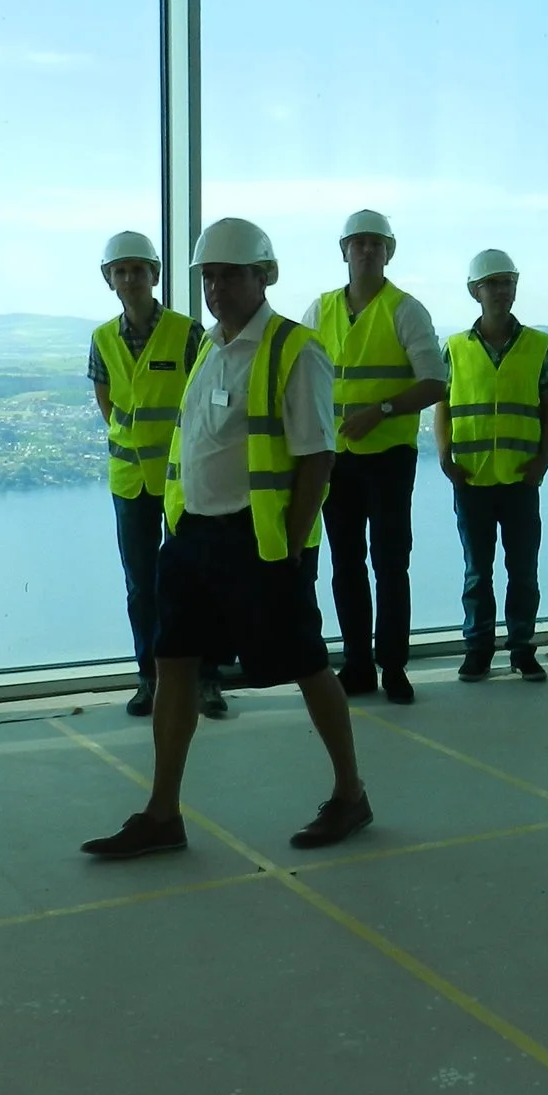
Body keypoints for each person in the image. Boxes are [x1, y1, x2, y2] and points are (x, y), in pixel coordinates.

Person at [84, 218, 372, 859]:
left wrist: (289, 548)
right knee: (173, 663)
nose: (216, 288)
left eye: (230, 275)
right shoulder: (210, 347)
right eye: (208, 277)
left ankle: (350, 794)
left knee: (307, 664)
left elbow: (318, 456)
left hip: (260, 542)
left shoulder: (296, 349)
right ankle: (162, 813)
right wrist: (181, 529)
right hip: (193, 538)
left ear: (264, 276)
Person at [89, 230, 224, 722]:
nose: (130, 279)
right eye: (120, 271)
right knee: (141, 586)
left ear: (155, 275)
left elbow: (205, 398)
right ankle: (149, 678)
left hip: (185, 480)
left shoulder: (186, 333)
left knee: (198, 580)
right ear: (109, 280)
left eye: (138, 270)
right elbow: (108, 403)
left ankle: (207, 678)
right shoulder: (102, 339)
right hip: (131, 483)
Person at [313, 209, 445, 704]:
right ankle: (358, 664)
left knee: (390, 563)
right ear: (343, 250)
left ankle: (393, 666)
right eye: (359, 242)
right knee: (346, 563)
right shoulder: (320, 310)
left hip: (388, 456)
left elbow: (434, 383)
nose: (367, 250)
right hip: (335, 457)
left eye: (376, 243)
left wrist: (382, 410)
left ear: (389, 252)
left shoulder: (405, 310)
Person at [435, 249, 548, 683]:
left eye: (508, 283)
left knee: (523, 572)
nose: (502, 291)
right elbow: (442, 406)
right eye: (493, 284)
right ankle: (478, 650)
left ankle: (523, 649)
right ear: (476, 291)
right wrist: (445, 458)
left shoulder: (537, 345)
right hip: (471, 479)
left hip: (521, 478)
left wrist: (543, 460)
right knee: (477, 573)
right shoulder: (454, 348)